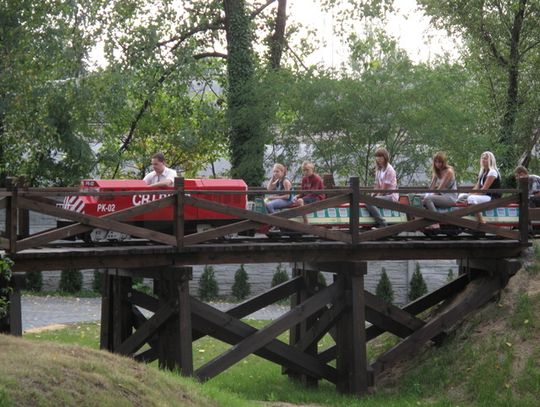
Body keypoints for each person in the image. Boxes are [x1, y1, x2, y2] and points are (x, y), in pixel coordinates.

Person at [458, 151, 501, 224]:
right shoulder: (482, 172)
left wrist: (470, 196)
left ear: (490, 160)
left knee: (471, 198)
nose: (483, 160)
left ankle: (480, 219)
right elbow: (476, 187)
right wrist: (468, 194)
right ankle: (468, 211)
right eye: (482, 158)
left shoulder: (492, 172)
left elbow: (484, 190)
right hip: (483, 196)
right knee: (461, 196)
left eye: (485, 158)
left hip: (491, 197)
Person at [422, 152, 458, 229]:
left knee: (428, 199)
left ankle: (435, 222)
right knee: (418, 197)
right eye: (436, 162)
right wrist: (425, 196)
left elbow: (439, 189)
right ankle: (420, 219)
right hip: (441, 196)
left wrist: (428, 197)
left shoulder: (449, 171)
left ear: (444, 162)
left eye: (440, 162)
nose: (438, 164)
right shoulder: (436, 171)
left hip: (450, 197)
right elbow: (431, 187)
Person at [365, 148, 398, 229]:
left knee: (370, 202)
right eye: (377, 156)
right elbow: (377, 185)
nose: (378, 158)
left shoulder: (389, 170)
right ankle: (373, 222)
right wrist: (373, 194)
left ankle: (382, 223)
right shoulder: (379, 169)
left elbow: (384, 189)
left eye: (381, 156)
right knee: (368, 199)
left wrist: (375, 198)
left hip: (390, 196)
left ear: (385, 157)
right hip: (383, 194)